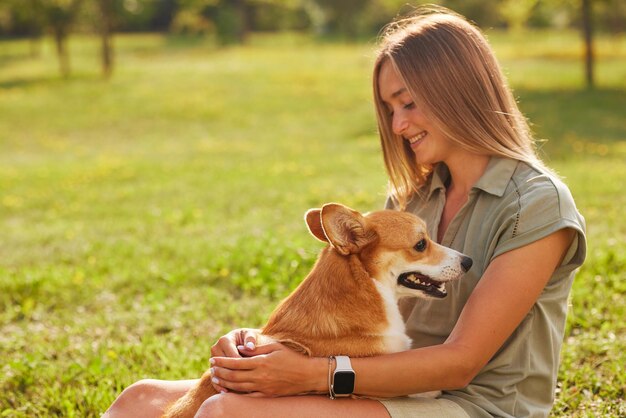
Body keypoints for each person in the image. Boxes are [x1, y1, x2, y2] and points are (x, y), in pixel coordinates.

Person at [104, 5, 586, 418]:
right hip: (387, 388)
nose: (398, 125)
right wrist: (258, 349)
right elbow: (353, 320)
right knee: (138, 400)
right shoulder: (413, 199)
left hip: (472, 405)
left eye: (408, 103)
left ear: (457, 90)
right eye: (389, 109)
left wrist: (312, 375)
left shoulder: (536, 204)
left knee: (226, 411)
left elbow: (460, 364)